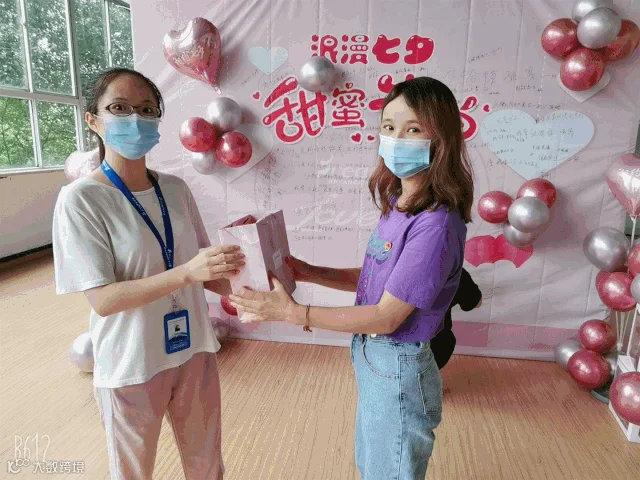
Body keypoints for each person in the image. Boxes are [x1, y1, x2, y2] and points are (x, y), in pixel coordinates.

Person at [229, 77, 475, 480]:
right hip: (372, 355)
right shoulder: (400, 203)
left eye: (413, 129)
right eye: (389, 127)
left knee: (389, 472)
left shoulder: (436, 225)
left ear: (441, 138)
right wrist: (310, 271)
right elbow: (379, 279)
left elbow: (387, 317)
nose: (396, 139)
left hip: (397, 360)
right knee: (374, 466)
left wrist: (294, 313)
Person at [52, 67, 244, 480]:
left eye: (146, 109)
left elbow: (203, 268)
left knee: (208, 467)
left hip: (193, 350)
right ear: (93, 120)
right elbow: (104, 300)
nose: (135, 119)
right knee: (134, 473)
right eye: (120, 108)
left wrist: (258, 287)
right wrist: (187, 274)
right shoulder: (82, 199)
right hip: (131, 360)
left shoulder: (175, 188)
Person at [431, 268, 483, 370]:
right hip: (436, 346)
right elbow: (477, 303)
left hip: (402, 347)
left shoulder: (400, 268)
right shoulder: (454, 271)